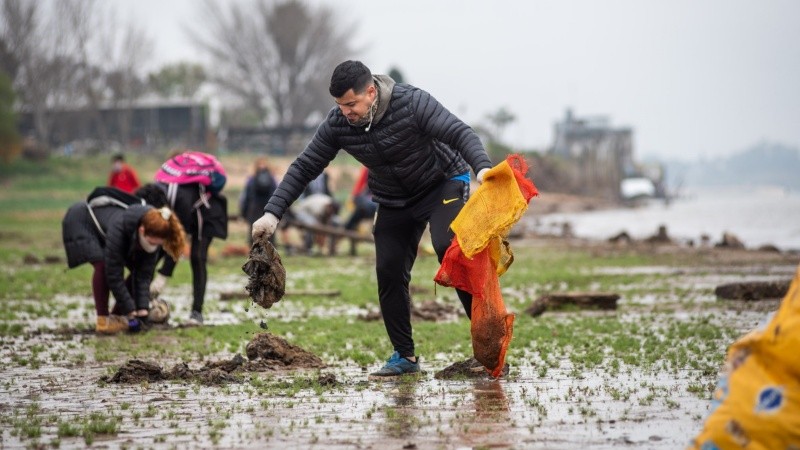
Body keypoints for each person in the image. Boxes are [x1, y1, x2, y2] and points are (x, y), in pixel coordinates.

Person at [251, 60, 492, 380]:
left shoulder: (412, 103)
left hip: (443, 182)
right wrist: (273, 213)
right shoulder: (338, 123)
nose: (346, 112)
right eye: (340, 105)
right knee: (388, 269)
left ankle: (488, 347)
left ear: (370, 91)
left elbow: (460, 132)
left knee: (449, 246)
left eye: (351, 104)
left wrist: (483, 168)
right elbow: (305, 166)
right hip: (393, 197)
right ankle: (404, 356)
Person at [62, 200, 186, 334]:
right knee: (103, 265)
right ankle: (103, 320)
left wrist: (142, 311)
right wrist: (130, 311)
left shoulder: (154, 231)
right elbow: (114, 275)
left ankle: (117, 317)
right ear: (142, 231)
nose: (153, 246)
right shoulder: (119, 230)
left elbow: (143, 276)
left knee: (137, 273)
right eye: (151, 242)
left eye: (157, 244)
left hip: (108, 229)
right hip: (82, 221)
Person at [149, 161, 229, 326]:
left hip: (208, 214)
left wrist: (163, 275)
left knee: (197, 257)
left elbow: (179, 240)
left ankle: (196, 313)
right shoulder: (163, 189)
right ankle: (144, 303)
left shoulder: (179, 195)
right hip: (189, 213)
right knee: (156, 249)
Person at [240, 157, 278, 246]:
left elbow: (245, 197)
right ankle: (270, 250)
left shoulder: (251, 179)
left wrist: (243, 212)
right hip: (269, 208)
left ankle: (254, 249)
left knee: (254, 231)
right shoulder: (272, 179)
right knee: (270, 231)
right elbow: (277, 194)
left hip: (254, 208)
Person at [344, 166, 377, 232]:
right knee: (361, 208)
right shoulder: (368, 169)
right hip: (368, 200)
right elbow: (360, 185)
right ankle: (348, 228)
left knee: (362, 208)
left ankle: (347, 228)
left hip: (373, 202)